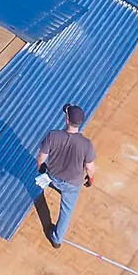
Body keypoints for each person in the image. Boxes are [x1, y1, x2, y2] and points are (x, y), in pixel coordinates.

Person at [34, 104, 97, 248]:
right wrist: (91, 179)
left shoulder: (53, 135)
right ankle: (56, 239)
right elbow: (90, 167)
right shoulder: (86, 145)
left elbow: (41, 158)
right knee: (66, 210)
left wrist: (40, 168)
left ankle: (53, 185)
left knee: (51, 181)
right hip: (72, 184)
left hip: (53, 176)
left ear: (67, 120)